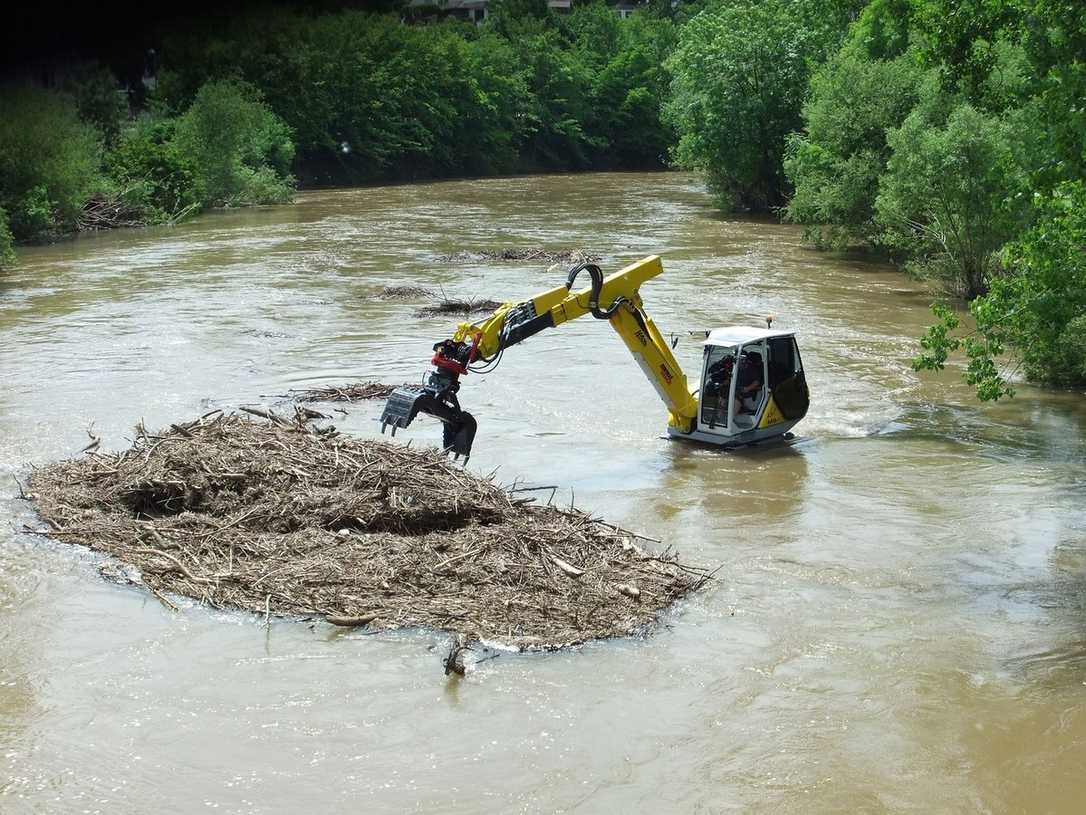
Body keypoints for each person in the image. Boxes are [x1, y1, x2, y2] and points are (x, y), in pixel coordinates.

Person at [734, 351, 763, 416]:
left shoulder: (752, 369)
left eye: (740, 360)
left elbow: (757, 382)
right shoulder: (736, 368)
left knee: (737, 400)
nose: (737, 362)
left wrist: (747, 388)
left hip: (750, 395)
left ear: (744, 360)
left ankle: (731, 418)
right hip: (739, 392)